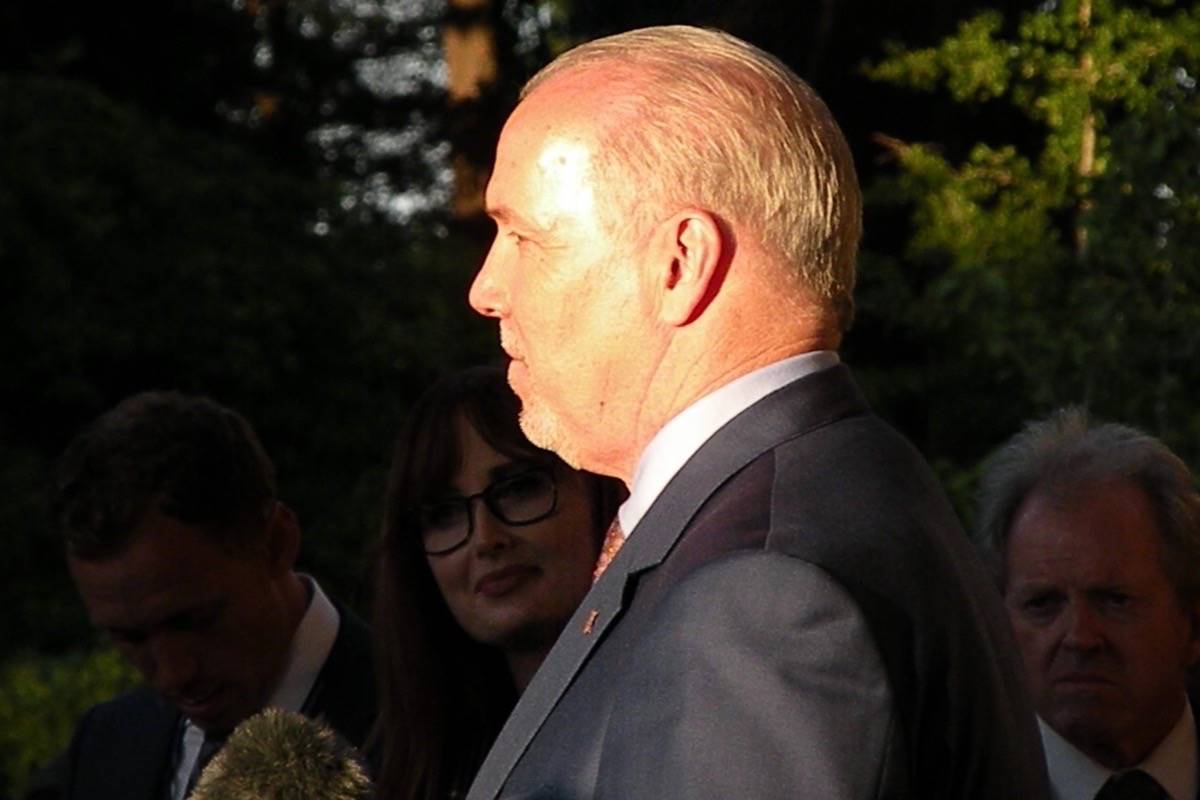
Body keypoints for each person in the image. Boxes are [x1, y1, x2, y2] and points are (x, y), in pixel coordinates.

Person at [464, 24, 1049, 799]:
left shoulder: (762, 595)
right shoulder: (835, 491)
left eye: (524, 236)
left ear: (681, 263)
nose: (486, 289)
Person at [48, 391, 375, 800]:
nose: (172, 674)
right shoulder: (107, 743)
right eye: (130, 637)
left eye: (195, 621)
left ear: (276, 543)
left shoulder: (430, 726)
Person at [372, 366, 623, 800]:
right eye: (444, 514)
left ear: (597, 488)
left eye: (520, 487)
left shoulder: (678, 711)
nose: (486, 539)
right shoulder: (394, 766)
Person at [976, 407, 1200, 799]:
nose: (1080, 637)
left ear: (1193, 625)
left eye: (1115, 601)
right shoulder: (934, 780)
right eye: (1043, 603)